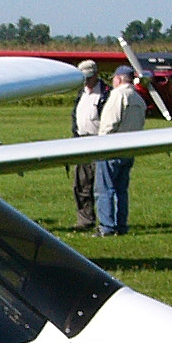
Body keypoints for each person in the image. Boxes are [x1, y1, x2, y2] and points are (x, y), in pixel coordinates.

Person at [95, 65, 147, 236]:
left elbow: (110, 123)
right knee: (121, 190)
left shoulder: (118, 95)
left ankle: (107, 226)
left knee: (105, 189)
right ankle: (121, 224)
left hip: (112, 148)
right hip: (129, 148)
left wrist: (100, 144)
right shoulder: (138, 98)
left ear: (119, 78)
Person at [70, 59, 108, 231]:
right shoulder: (81, 94)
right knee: (81, 186)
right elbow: (75, 117)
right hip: (81, 142)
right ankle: (85, 220)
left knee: (101, 186)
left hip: (99, 142)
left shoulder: (106, 94)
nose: (87, 81)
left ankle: (106, 221)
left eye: (89, 77)